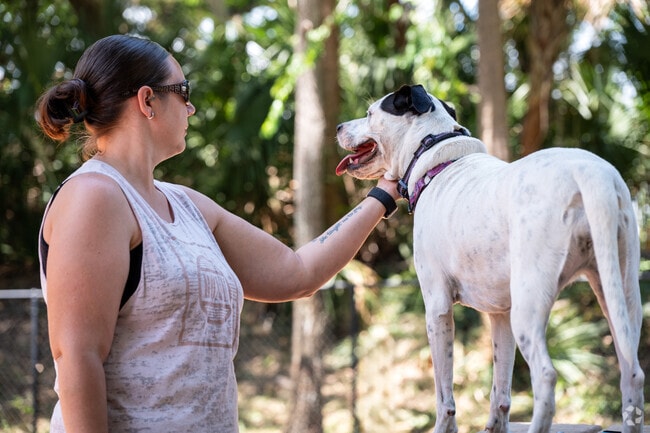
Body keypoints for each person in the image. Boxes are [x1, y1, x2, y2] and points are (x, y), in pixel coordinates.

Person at [35, 34, 401, 433]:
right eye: (183, 91)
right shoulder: (94, 197)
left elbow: (297, 273)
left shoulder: (188, 205)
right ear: (147, 101)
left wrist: (385, 193)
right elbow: (77, 356)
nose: (191, 107)